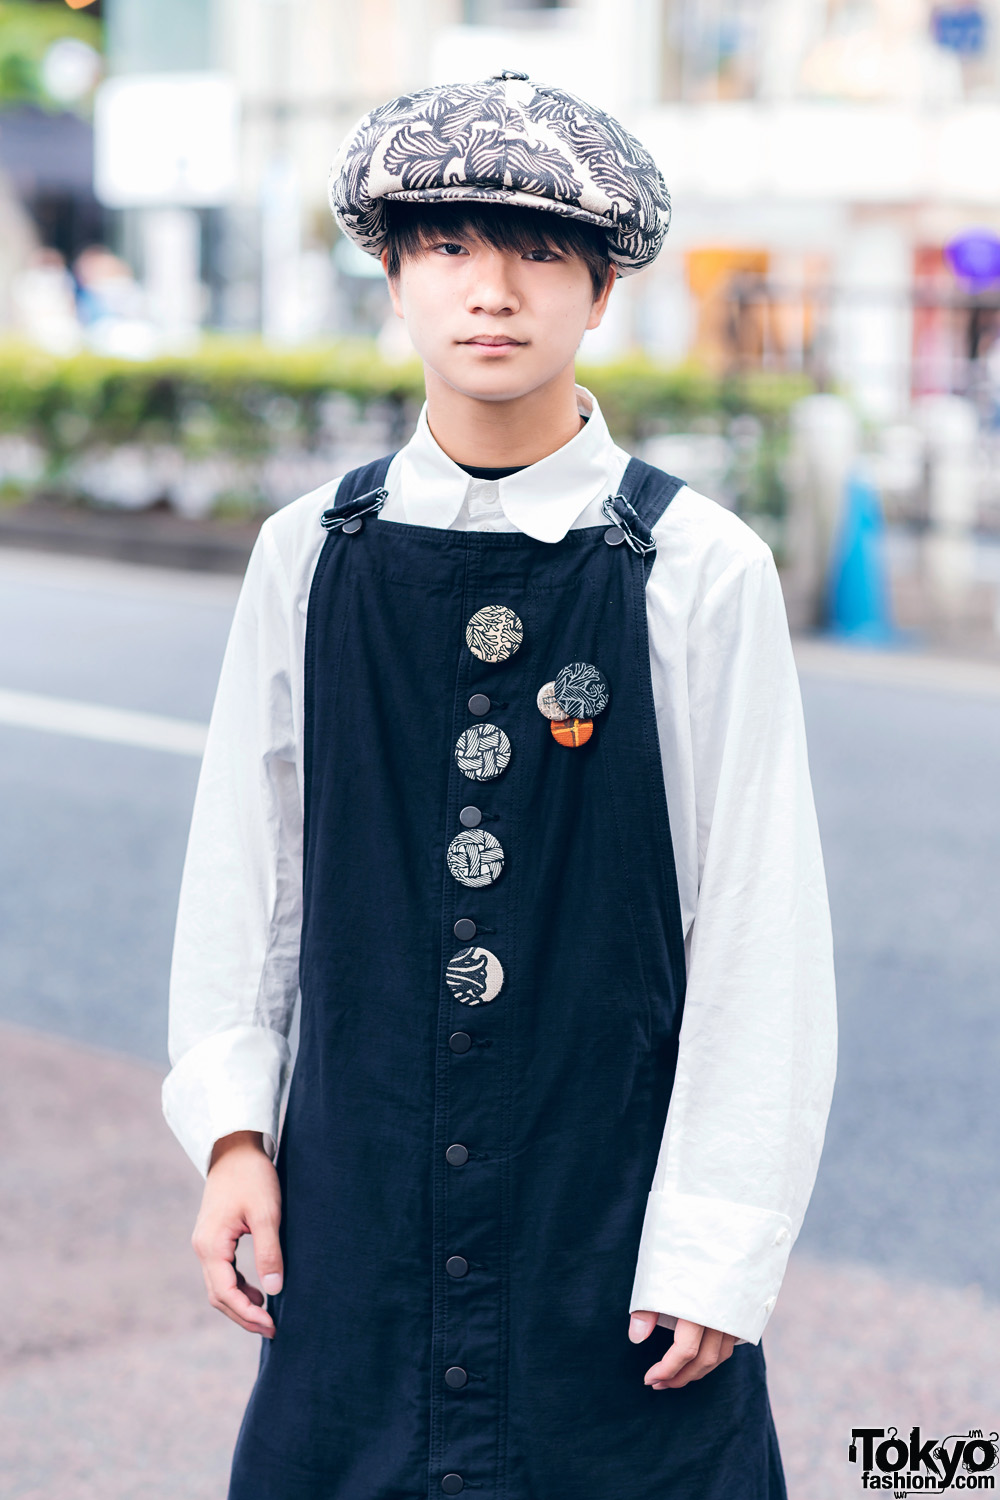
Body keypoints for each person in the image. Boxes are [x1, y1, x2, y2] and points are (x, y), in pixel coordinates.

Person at [163, 72, 837, 1500]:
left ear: (601, 293)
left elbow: (758, 923)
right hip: (362, 1189)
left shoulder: (696, 567)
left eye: (541, 252)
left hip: (607, 1200)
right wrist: (233, 1127)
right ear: (395, 278)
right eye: (453, 247)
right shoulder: (312, 551)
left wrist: (716, 1238)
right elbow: (251, 865)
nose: (495, 290)